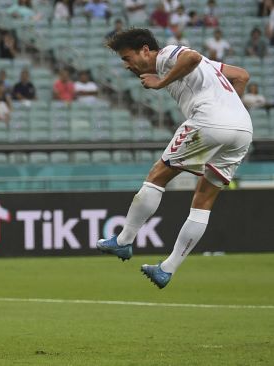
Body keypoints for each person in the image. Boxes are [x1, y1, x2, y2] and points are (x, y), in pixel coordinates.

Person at [98, 28, 252, 289]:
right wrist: (227, 109)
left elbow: (190, 57)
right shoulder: (208, 67)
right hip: (242, 130)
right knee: (203, 200)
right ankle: (166, 269)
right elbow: (241, 75)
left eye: (127, 58)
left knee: (158, 175)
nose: (126, 65)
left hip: (210, 121)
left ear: (145, 50)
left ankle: (123, 241)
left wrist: (160, 83)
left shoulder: (168, 54)